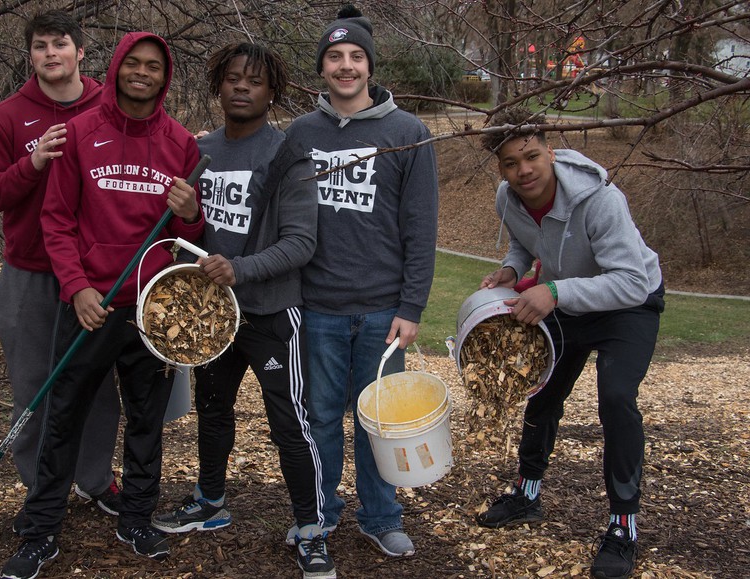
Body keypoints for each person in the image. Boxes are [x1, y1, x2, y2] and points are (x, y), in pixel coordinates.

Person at [0, 32, 203, 579]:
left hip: (151, 309)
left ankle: (136, 516)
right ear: (114, 68)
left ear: (166, 76)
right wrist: (77, 287)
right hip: (93, 304)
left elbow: (186, 233)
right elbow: (57, 221)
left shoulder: (181, 143)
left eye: (153, 67)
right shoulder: (81, 133)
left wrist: (187, 213)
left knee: (146, 420)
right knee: (62, 416)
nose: (141, 73)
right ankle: (41, 529)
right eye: (132, 63)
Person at [150, 42, 335, 579]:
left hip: (273, 314)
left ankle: (311, 528)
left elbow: (302, 243)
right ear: (218, 84)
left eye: (253, 81)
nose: (241, 87)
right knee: (212, 409)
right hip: (212, 316)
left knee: (290, 424)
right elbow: (192, 235)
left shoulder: (287, 155)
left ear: (271, 91)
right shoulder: (201, 150)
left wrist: (241, 269)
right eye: (232, 78)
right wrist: (188, 218)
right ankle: (210, 501)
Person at [475, 107, 664, 579]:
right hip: (564, 301)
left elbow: (631, 282)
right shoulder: (508, 197)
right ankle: (527, 495)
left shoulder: (600, 200)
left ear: (550, 151)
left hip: (626, 304)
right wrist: (512, 270)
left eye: (532, 156)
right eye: (511, 164)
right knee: (540, 391)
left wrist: (555, 291)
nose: (524, 170)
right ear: (500, 169)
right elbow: (528, 243)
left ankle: (623, 526)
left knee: (616, 397)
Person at [284, 4, 439, 558]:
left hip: (382, 311)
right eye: (334, 56)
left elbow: (421, 231)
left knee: (378, 419)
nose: (345, 66)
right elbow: (265, 191)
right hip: (317, 306)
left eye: (355, 57)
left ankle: (382, 516)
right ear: (322, 67)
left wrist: (412, 307)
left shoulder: (408, 132)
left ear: (369, 67)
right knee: (321, 416)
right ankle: (320, 513)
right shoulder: (300, 134)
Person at [0, 10, 122, 533]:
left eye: (61, 44)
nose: (51, 54)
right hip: (30, 271)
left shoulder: (110, 102)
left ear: (82, 52)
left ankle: (97, 480)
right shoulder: (9, 116)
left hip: (97, 271)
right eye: (41, 46)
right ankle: (41, 489)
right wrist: (31, 163)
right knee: (34, 384)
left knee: (98, 384)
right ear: (30, 55)